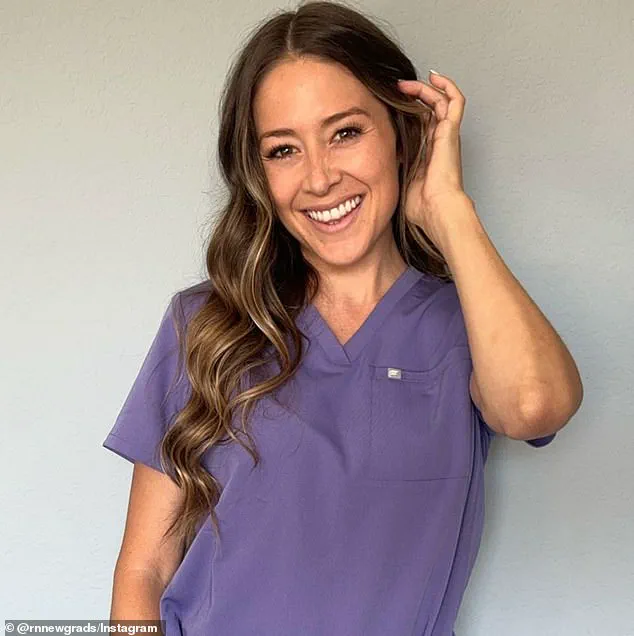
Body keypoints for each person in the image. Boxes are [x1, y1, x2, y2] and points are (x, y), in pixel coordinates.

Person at [102, 1, 583, 634]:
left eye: (346, 133)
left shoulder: (466, 323)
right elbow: (145, 570)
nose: (320, 178)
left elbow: (535, 407)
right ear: (258, 172)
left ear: (402, 135)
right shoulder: (206, 325)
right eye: (283, 150)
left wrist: (447, 207)